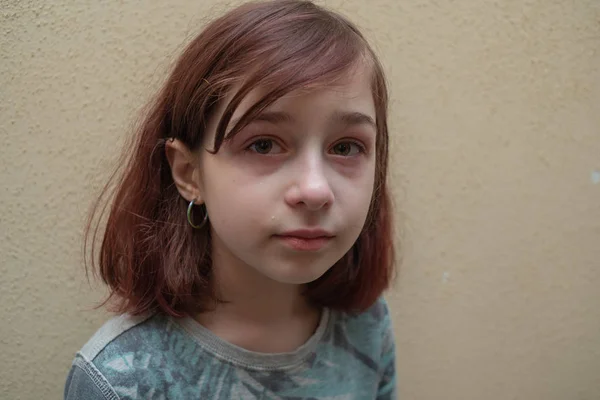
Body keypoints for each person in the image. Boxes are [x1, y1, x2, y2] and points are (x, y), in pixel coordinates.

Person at [64, 0, 397, 398]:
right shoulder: (120, 380)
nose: (315, 190)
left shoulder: (366, 326)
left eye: (345, 148)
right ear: (189, 174)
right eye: (263, 144)